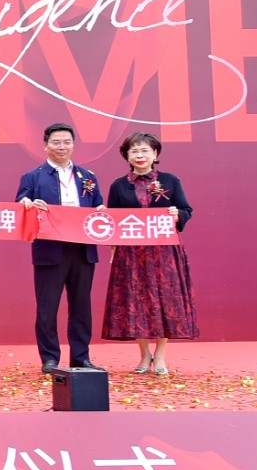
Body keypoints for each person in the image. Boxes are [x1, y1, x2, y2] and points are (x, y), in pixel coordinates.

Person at [101, 132, 198, 375]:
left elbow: (186, 209)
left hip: (163, 251)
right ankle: (144, 354)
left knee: (164, 301)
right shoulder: (118, 185)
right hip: (131, 253)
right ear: (127, 156)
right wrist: (113, 250)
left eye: (145, 150)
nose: (140, 155)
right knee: (136, 301)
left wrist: (177, 215)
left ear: (155, 154)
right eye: (134, 151)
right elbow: (113, 222)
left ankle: (161, 356)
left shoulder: (170, 180)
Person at [16, 122, 106, 375]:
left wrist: (100, 210)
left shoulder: (87, 176)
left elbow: (98, 205)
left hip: (82, 249)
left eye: (67, 142)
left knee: (81, 306)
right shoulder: (33, 177)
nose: (62, 147)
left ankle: (81, 357)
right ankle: (50, 358)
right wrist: (27, 203)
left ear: (73, 145)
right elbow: (20, 205)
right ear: (45, 146)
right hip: (49, 250)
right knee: (47, 307)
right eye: (56, 142)